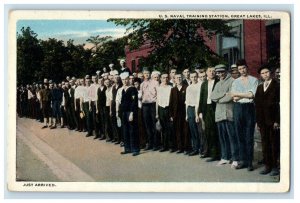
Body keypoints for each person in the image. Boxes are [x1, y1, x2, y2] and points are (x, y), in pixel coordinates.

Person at [230, 59, 258, 171]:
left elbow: (252, 95)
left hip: (249, 109)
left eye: (244, 68)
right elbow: (234, 98)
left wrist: (238, 94)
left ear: (247, 67)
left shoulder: (254, 80)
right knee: (239, 136)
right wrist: (244, 95)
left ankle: (250, 162)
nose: (242, 70)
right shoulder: (235, 82)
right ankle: (243, 161)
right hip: (238, 108)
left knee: (248, 136)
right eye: (240, 69)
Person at [211, 64, 239, 168]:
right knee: (222, 137)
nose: (220, 74)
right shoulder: (218, 83)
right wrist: (223, 94)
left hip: (228, 113)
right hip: (219, 114)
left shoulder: (232, 81)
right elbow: (212, 97)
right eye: (218, 72)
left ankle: (235, 159)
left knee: (232, 137)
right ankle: (225, 157)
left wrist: (220, 98)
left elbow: (230, 97)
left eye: (222, 72)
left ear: (226, 71)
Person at [255, 65, 280, 176]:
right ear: (260, 75)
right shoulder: (260, 87)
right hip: (262, 120)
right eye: (262, 73)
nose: (265, 74)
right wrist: (258, 121)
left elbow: (280, 105)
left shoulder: (277, 86)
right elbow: (257, 105)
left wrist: (277, 121)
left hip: (273, 120)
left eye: (267, 72)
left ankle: (275, 167)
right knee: (265, 143)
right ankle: (267, 166)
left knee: (274, 143)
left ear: (271, 73)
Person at [198, 67, 220, 162]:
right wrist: (200, 112)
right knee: (207, 131)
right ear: (206, 72)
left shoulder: (218, 82)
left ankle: (215, 154)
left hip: (215, 108)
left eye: (213, 71)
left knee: (214, 131)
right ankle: (208, 151)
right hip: (206, 109)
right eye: (210, 71)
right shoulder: (204, 84)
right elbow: (201, 98)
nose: (212, 72)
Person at [169, 74, 190, 154]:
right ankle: (179, 147)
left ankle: (186, 148)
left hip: (184, 112)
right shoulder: (173, 89)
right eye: (177, 78)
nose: (178, 79)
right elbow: (171, 102)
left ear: (182, 78)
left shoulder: (186, 87)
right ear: (174, 79)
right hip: (175, 113)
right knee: (177, 130)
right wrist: (171, 115)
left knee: (185, 130)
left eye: (180, 77)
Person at [119, 72, 140, 156]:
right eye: (123, 80)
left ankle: (135, 149)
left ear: (128, 79)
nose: (124, 81)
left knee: (132, 131)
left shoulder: (133, 89)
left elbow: (134, 102)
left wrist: (132, 113)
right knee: (125, 131)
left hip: (130, 112)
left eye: (126, 79)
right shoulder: (123, 89)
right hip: (124, 112)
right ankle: (127, 148)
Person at [140, 67, 160, 151]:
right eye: (145, 73)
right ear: (143, 75)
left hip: (153, 104)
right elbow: (141, 96)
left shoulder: (155, 82)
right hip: (145, 105)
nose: (146, 75)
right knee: (147, 125)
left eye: (148, 73)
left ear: (150, 74)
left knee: (153, 124)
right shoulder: (142, 84)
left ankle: (156, 144)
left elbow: (158, 95)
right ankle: (150, 143)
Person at [185, 71, 202, 156]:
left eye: (195, 76)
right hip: (190, 109)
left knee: (199, 130)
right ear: (190, 77)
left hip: (197, 109)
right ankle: (195, 148)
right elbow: (187, 101)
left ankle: (201, 148)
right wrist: (186, 114)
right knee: (193, 130)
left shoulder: (200, 86)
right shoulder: (189, 87)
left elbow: (198, 101)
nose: (194, 78)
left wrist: (196, 114)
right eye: (192, 77)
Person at [156, 73, 172, 152]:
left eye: (166, 78)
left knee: (169, 127)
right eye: (163, 78)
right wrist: (156, 113)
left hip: (168, 109)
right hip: (161, 108)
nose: (165, 79)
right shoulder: (158, 88)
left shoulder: (170, 87)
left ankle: (171, 145)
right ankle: (164, 146)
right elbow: (157, 101)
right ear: (161, 79)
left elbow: (172, 101)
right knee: (163, 128)